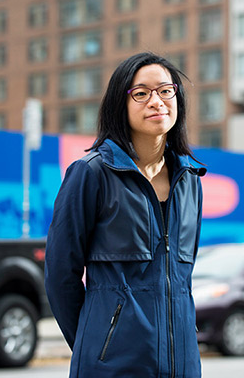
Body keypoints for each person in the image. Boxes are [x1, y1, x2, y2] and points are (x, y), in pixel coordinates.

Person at [45, 52, 206, 378]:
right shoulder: (91, 175)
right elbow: (60, 276)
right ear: (121, 104)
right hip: (113, 369)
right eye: (142, 93)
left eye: (165, 90)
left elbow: (181, 282)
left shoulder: (190, 180)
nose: (156, 101)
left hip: (183, 367)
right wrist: (97, 347)